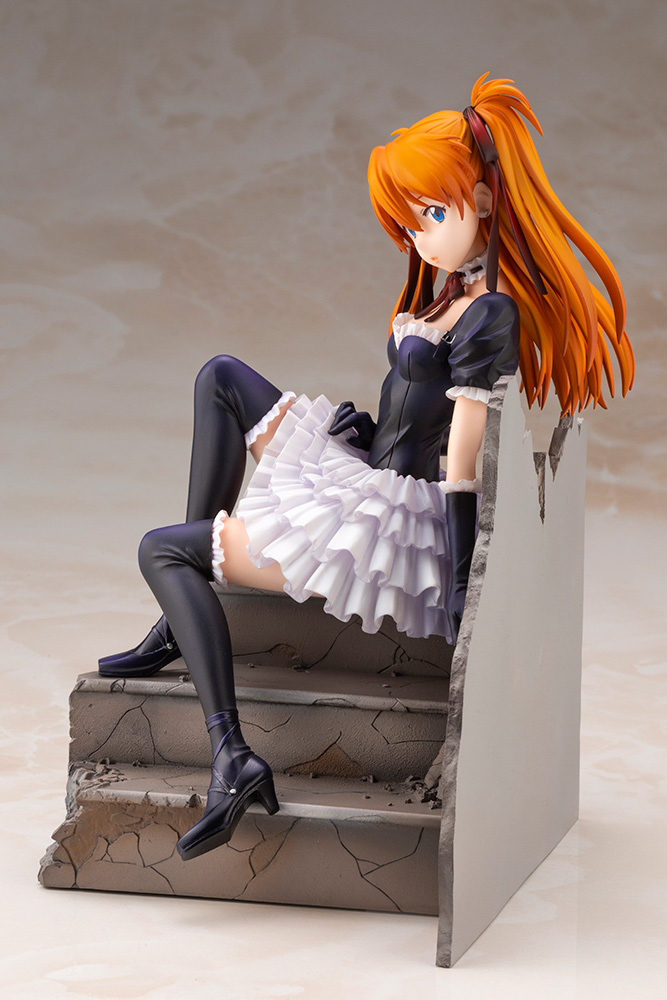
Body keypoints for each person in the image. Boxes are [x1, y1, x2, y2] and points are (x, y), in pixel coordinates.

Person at [98, 74, 634, 861]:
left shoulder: (491, 312)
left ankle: (231, 756)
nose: (418, 237)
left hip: (390, 515)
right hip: (368, 467)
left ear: (482, 201)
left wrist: (463, 587)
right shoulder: (449, 296)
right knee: (220, 377)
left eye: (431, 215)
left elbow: (462, 455)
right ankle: (180, 621)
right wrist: (371, 428)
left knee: (161, 550)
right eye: (408, 221)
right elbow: (419, 410)